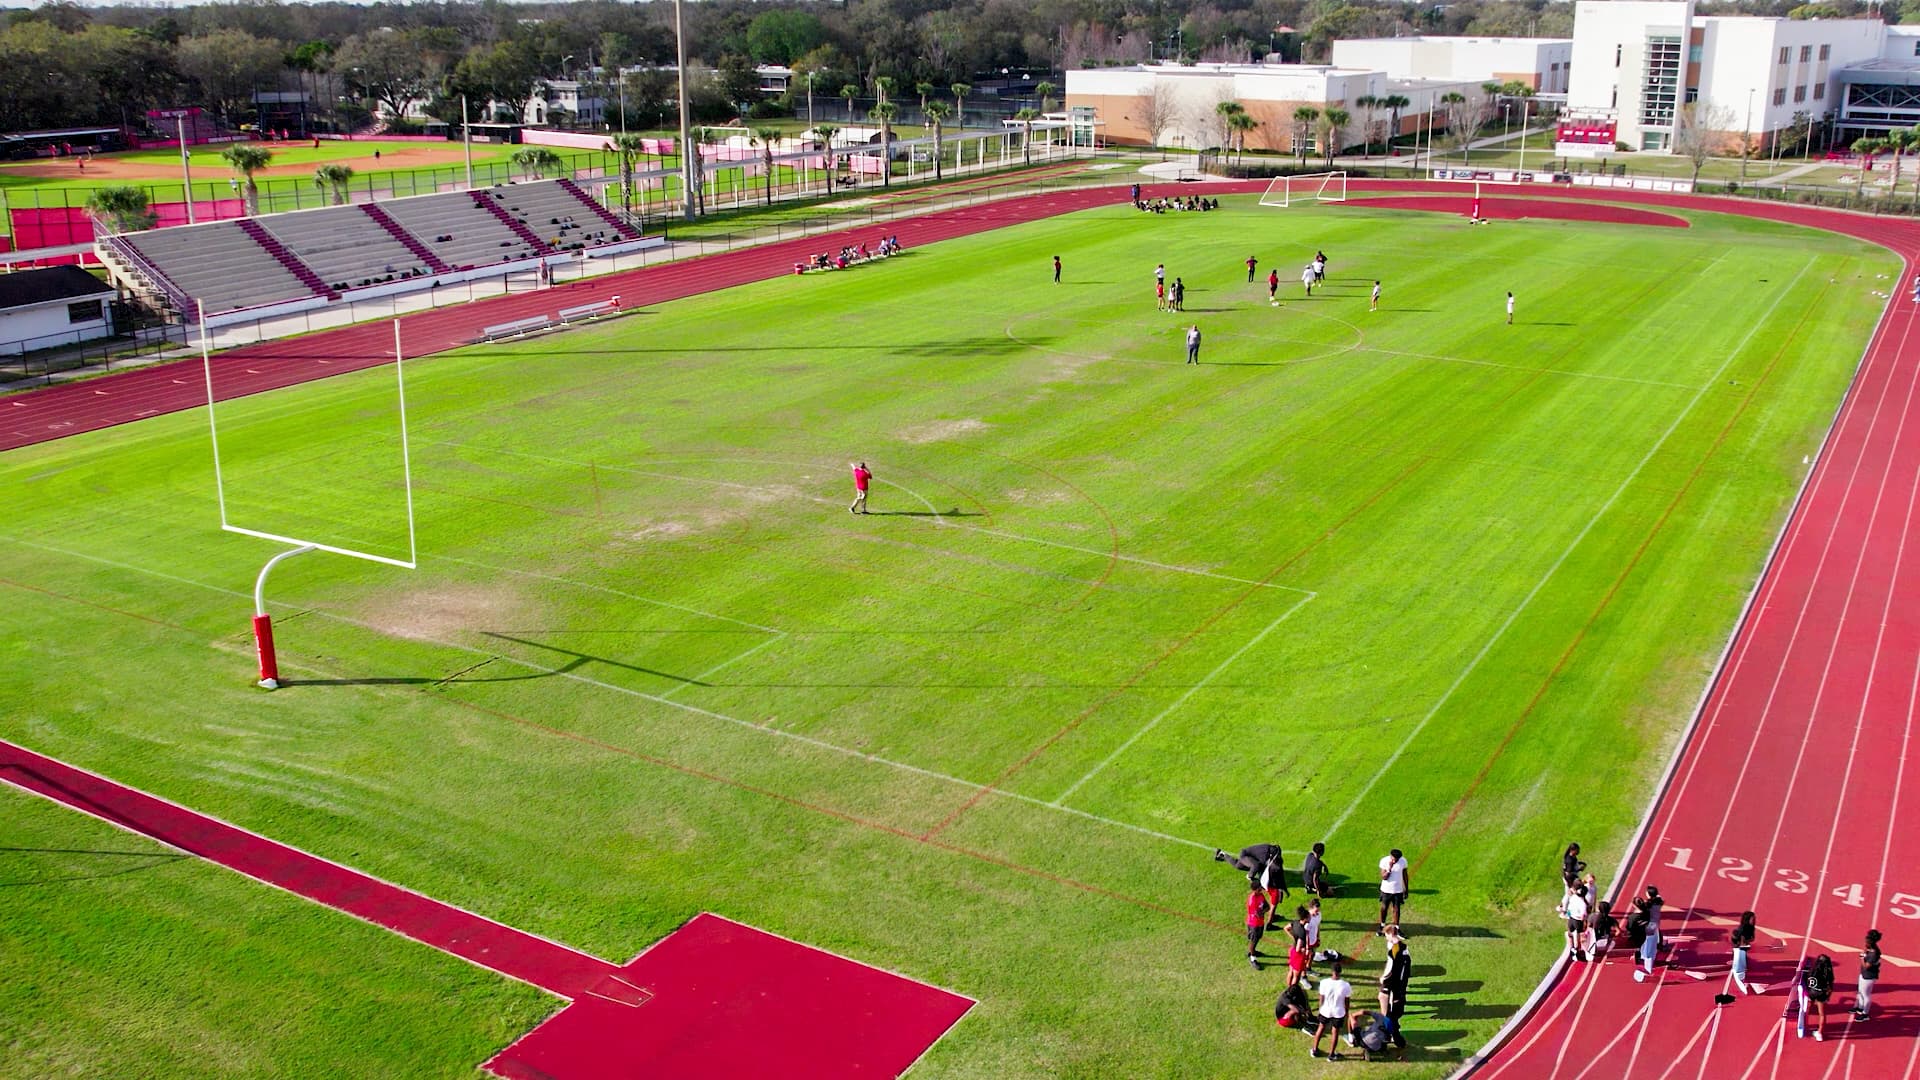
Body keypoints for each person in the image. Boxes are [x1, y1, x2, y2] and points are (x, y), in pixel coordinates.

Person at [1310, 962, 1354, 1060]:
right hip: (1338, 1012)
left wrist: (1320, 1008)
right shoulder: (1345, 985)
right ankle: (1331, 1054)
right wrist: (1346, 1012)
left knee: (1320, 1028)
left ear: (1332, 971)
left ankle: (1314, 1049)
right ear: (1340, 972)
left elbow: (1321, 998)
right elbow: (1347, 1001)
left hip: (1325, 1010)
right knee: (1335, 1032)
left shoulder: (1324, 982)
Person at [1379, 924, 1411, 1053]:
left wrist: (1384, 978)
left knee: (1388, 1011)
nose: (1386, 938)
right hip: (1399, 985)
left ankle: (1393, 1037)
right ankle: (1391, 1031)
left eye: (1386, 935)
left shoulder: (1395, 950)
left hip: (1394, 985)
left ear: (1391, 935)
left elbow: (1392, 968)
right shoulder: (1403, 948)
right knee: (1391, 1010)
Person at [1631, 885, 1664, 980]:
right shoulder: (1658, 900)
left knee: (1647, 949)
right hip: (1655, 925)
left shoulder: (1649, 905)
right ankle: (1648, 964)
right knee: (1651, 947)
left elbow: (1642, 910)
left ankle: (1647, 971)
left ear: (1649, 894)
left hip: (1649, 927)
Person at [1800, 954, 1834, 1040]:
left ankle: (1805, 1026)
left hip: (1811, 992)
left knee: (1807, 1010)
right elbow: (1830, 986)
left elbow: (1805, 979)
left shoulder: (1812, 970)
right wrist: (1827, 995)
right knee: (1822, 1014)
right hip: (1821, 993)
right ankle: (1820, 1033)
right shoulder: (1827, 973)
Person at [1378, 848, 1409, 933]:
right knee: (1384, 908)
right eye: (1394, 859)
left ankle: (1396, 928)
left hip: (1398, 890)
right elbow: (1384, 877)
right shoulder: (1384, 861)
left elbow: (1405, 875)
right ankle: (1382, 926)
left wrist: (1406, 888)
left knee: (1397, 909)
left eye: (1397, 859)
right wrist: (1389, 868)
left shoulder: (1403, 861)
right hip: (1386, 890)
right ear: (1390, 856)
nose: (1395, 861)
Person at [1854, 929, 1882, 1020]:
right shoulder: (1870, 949)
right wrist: (1865, 951)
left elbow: (1866, 966)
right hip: (1864, 974)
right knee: (1860, 992)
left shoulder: (1874, 954)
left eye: (1867, 942)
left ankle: (1865, 1014)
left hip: (1869, 976)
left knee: (1866, 995)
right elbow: (1865, 951)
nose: (1865, 944)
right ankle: (1860, 1008)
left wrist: (1862, 957)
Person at [1730, 911, 1756, 994]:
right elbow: (1739, 942)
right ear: (1747, 919)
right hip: (1739, 949)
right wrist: (1744, 944)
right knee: (1739, 970)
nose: (1754, 920)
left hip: (1743, 949)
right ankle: (1743, 986)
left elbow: (1752, 939)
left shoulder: (1751, 928)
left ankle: (1744, 982)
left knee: (1743, 967)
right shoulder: (1743, 929)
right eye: (1752, 919)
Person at [1246, 887, 1269, 968]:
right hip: (1253, 923)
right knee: (1253, 940)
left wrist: (1262, 911)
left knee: (1258, 937)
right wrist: (1263, 911)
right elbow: (1258, 913)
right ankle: (1253, 958)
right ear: (1254, 890)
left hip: (1260, 922)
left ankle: (1252, 951)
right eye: (1259, 890)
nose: (1261, 891)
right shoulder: (1252, 900)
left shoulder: (1261, 895)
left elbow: (1267, 906)